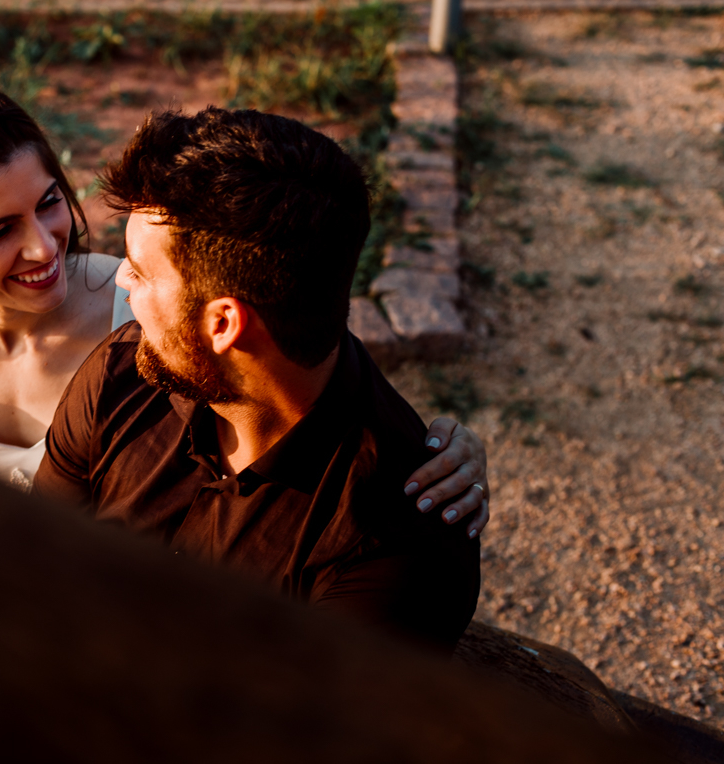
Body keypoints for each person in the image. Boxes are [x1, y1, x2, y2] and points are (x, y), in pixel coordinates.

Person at [0, 79, 489, 536]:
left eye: (48, 203)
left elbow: (294, 374)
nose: (44, 245)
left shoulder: (142, 306)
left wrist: (430, 447)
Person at [34, 107, 481, 650]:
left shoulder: (393, 550)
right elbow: (34, 558)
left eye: (142, 271)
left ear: (223, 323)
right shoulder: (122, 372)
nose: (122, 281)